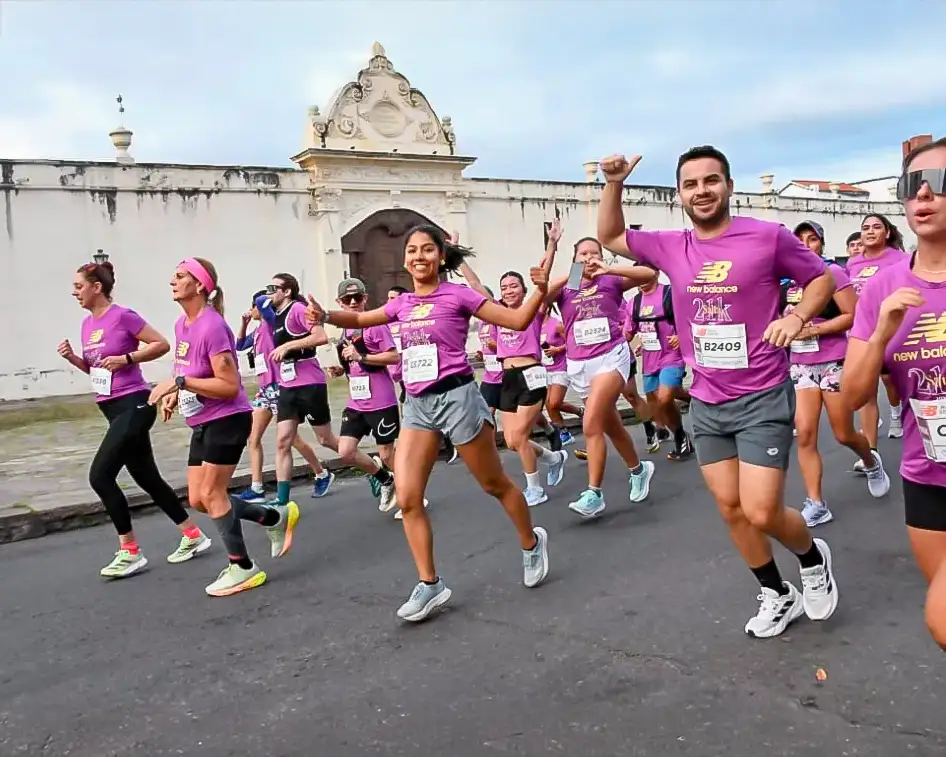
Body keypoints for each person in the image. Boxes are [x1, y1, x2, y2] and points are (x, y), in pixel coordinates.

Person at [597, 147, 839, 639]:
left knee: (762, 510)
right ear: (680, 194)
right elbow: (609, 236)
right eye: (690, 184)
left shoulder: (767, 237)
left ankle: (813, 560)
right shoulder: (670, 246)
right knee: (731, 507)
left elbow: (822, 278)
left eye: (711, 180)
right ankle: (777, 592)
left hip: (762, 393)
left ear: (728, 185)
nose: (701, 191)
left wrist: (795, 317)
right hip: (707, 398)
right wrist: (615, 183)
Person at [305, 225, 551, 622]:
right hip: (418, 404)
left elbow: (519, 320)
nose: (419, 256)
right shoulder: (400, 305)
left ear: (440, 257)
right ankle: (430, 583)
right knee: (408, 497)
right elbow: (364, 317)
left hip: (458, 398)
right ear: (405, 259)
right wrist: (325, 315)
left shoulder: (459, 295)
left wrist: (539, 289)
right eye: (412, 250)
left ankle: (530, 542)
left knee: (494, 484)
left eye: (427, 250)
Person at [843, 136, 946, 651]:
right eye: (913, 185)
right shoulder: (882, 287)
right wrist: (882, 331)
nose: (924, 195)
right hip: (927, 475)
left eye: (940, 183)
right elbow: (853, 393)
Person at [148, 257, 298, 597]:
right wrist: (177, 389)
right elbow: (185, 366)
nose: (173, 280)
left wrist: (181, 382)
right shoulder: (182, 324)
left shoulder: (213, 327)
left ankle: (243, 567)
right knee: (199, 499)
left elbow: (229, 385)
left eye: (181, 275)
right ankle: (274, 518)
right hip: (203, 420)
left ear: (200, 285)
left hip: (227, 419)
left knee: (214, 495)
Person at [58, 261, 210, 578]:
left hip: (135, 404)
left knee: (100, 476)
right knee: (147, 478)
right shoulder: (88, 324)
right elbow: (99, 368)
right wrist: (74, 359)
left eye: (78, 286)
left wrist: (128, 357)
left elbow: (160, 344)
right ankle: (193, 535)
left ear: (96, 287)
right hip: (111, 407)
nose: (74, 292)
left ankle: (130, 551)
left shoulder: (123, 315)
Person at [544, 239, 658, 517]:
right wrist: (573, 272)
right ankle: (639, 469)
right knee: (612, 427)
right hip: (579, 363)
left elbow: (649, 274)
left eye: (594, 253)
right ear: (574, 258)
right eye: (582, 253)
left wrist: (607, 267)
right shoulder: (568, 287)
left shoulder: (611, 280)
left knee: (591, 423)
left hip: (611, 356)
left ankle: (594, 493)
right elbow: (542, 295)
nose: (589, 257)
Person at [786, 221, 889, 527]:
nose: (806, 244)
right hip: (800, 363)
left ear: (821, 243)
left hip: (832, 360)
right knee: (804, 433)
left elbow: (852, 315)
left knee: (843, 432)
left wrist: (814, 328)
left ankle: (871, 461)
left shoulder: (833, 274)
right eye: (800, 239)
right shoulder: (787, 280)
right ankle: (816, 503)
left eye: (813, 238)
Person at [266, 273, 385, 506]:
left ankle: (377, 471)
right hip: (288, 385)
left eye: (274, 287)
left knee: (326, 439)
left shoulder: (298, 309)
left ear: (287, 291)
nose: (269, 292)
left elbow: (320, 337)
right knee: (282, 441)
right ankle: (282, 503)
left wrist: (290, 345)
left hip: (309, 383)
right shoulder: (276, 316)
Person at [234, 290, 334, 504]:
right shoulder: (259, 331)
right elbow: (240, 345)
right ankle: (257, 487)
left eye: (253, 307)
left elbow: (263, 304)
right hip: (264, 390)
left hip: (281, 386)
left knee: (291, 440)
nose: (251, 311)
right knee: (253, 437)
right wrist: (244, 323)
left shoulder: (272, 325)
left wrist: (268, 300)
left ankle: (321, 473)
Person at [326, 278, 399, 512]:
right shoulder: (344, 329)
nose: (354, 302)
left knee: (387, 453)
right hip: (356, 401)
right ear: (340, 302)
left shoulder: (375, 324)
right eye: (348, 299)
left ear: (366, 298)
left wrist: (361, 358)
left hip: (381, 400)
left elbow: (393, 356)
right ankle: (386, 481)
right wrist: (341, 369)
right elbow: (353, 362)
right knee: (345, 450)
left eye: (358, 297)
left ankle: (412, 493)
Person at [847, 213, 910, 444]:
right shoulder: (853, 263)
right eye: (866, 228)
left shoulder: (901, 259)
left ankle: (896, 414)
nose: (870, 231)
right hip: (862, 335)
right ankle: (872, 455)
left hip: (893, 332)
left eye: (876, 227)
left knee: (889, 379)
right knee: (867, 391)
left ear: (888, 232)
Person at [624, 262, 693, 460]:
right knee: (656, 404)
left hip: (672, 355)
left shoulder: (670, 294)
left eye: (644, 272)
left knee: (664, 397)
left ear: (656, 272)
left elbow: (693, 317)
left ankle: (682, 433)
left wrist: (682, 336)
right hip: (649, 359)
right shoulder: (634, 303)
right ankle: (681, 436)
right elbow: (627, 333)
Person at [388, 284, 458, 465]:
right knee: (410, 414)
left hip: (427, 373)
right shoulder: (388, 324)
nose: (390, 301)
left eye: (393, 298)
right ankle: (423, 452)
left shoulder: (409, 320)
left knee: (439, 414)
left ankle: (450, 444)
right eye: (388, 298)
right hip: (405, 375)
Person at [540, 308, 584, 446]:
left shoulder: (557, 324)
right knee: (548, 404)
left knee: (554, 402)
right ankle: (564, 433)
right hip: (546, 369)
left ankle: (580, 411)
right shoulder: (535, 326)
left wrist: (557, 349)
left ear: (547, 308)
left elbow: (572, 341)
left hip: (561, 367)